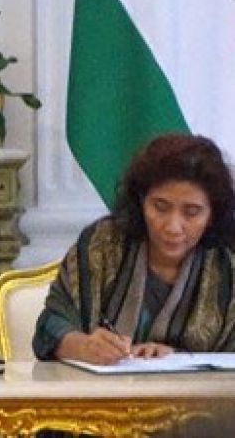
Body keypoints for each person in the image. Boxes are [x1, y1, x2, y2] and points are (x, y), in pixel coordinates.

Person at [33, 133, 235, 363]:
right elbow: (48, 327)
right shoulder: (103, 244)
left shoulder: (228, 260)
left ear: (212, 214)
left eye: (191, 212)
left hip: (203, 398)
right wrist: (83, 346)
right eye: (160, 207)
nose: (173, 227)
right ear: (141, 201)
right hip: (101, 395)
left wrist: (178, 359)